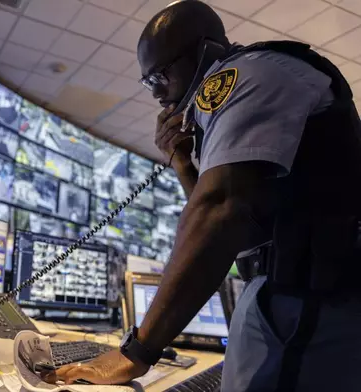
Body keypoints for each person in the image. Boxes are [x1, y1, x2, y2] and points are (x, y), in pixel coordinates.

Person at [52, 1, 361, 390]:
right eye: (148, 83)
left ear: (204, 51)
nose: (156, 95)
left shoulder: (241, 74)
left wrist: (137, 352)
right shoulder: (256, 81)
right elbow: (245, 231)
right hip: (294, 293)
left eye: (159, 77)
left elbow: (219, 210)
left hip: (304, 301)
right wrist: (184, 165)